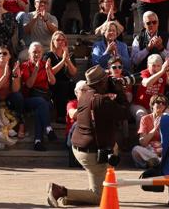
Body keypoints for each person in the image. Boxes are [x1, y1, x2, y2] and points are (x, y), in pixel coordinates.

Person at [46, 66, 128, 207]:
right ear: (101, 83)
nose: (109, 81)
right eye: (107, 80)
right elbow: (125, 113)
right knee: (100, 197)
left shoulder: (85, 95)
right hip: (92, 153)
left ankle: (71, 198)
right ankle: (59, 191)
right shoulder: (102, 101)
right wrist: (120, 91)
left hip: (80, 147)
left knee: (98, 186)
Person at [20, 42, 55, 151]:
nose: (36, 54)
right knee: (41, 103)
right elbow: (29, 85)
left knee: (41, 108)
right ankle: (48, 128)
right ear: (29, 54)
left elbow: (52, 82)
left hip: (44, 99)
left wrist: (48, 70)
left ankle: (38, 141)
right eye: (34, 52)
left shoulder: (45, 64)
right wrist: (36, 69)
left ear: (42, 53)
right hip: (28, 99)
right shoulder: (24, 65)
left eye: (39, 52)